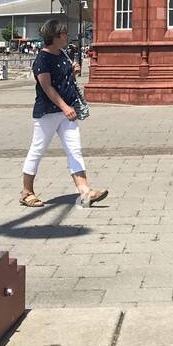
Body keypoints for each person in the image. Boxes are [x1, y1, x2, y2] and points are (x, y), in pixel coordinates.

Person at [20, 18, 107, 208]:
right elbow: (47, 87)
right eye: (64, 33)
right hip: (49, 112)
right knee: (38, 149)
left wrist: (73, 72)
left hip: (67, 111)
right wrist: (64, 107)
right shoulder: (43, 59)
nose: (67, 36)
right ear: (55, 36)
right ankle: (27, 191)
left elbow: (62, 80)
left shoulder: (62, 54)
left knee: (74, 149)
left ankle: (85, 191)